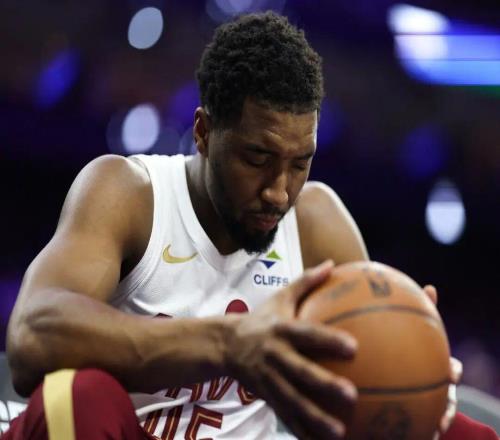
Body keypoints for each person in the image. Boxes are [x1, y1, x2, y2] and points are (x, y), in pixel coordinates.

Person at [3, 11, 497, 440]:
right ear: (203, 132)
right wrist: (230, 343)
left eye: (300, 163)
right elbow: (31, 337)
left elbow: (363, 379)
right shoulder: (129, 192)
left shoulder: (316, 223)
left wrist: (412, 362)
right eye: (257, 158)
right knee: (79, 395)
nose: (279, 191)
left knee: (463, 433)